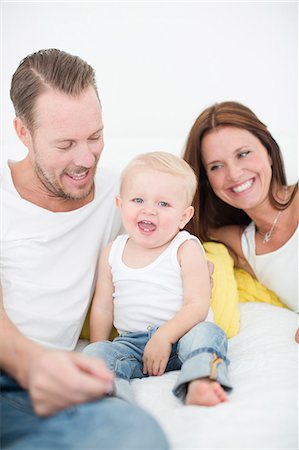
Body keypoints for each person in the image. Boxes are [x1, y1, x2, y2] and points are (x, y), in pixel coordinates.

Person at [0, 49, 169, 450]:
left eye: (95, 137)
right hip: (24, 367)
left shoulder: (122, 195)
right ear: (23, 132)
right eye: (65, 144)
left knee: (140, 436)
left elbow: (193, 219)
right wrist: (33, 363)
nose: (85, 158)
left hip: (43, 393)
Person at [84, 151, 232, 407]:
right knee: (94, 353)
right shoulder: (112, 252)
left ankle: (201, 379)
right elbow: (103, 306)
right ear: (120, 205)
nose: (149, 210)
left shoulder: (186, 248)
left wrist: (164, 337)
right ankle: (110, 394)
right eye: (138, 199)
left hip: (182, 336)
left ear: (184, 217)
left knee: (209, 333)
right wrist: (101, 350)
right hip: (133, 343)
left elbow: (197, 304)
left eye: (163, 204)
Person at [182, 101, 298, 342]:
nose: (234, 174)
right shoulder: (237, 242)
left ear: (268, 150)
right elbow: (177, 225)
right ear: (207, 181)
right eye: (216, 166)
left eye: (243, 154)